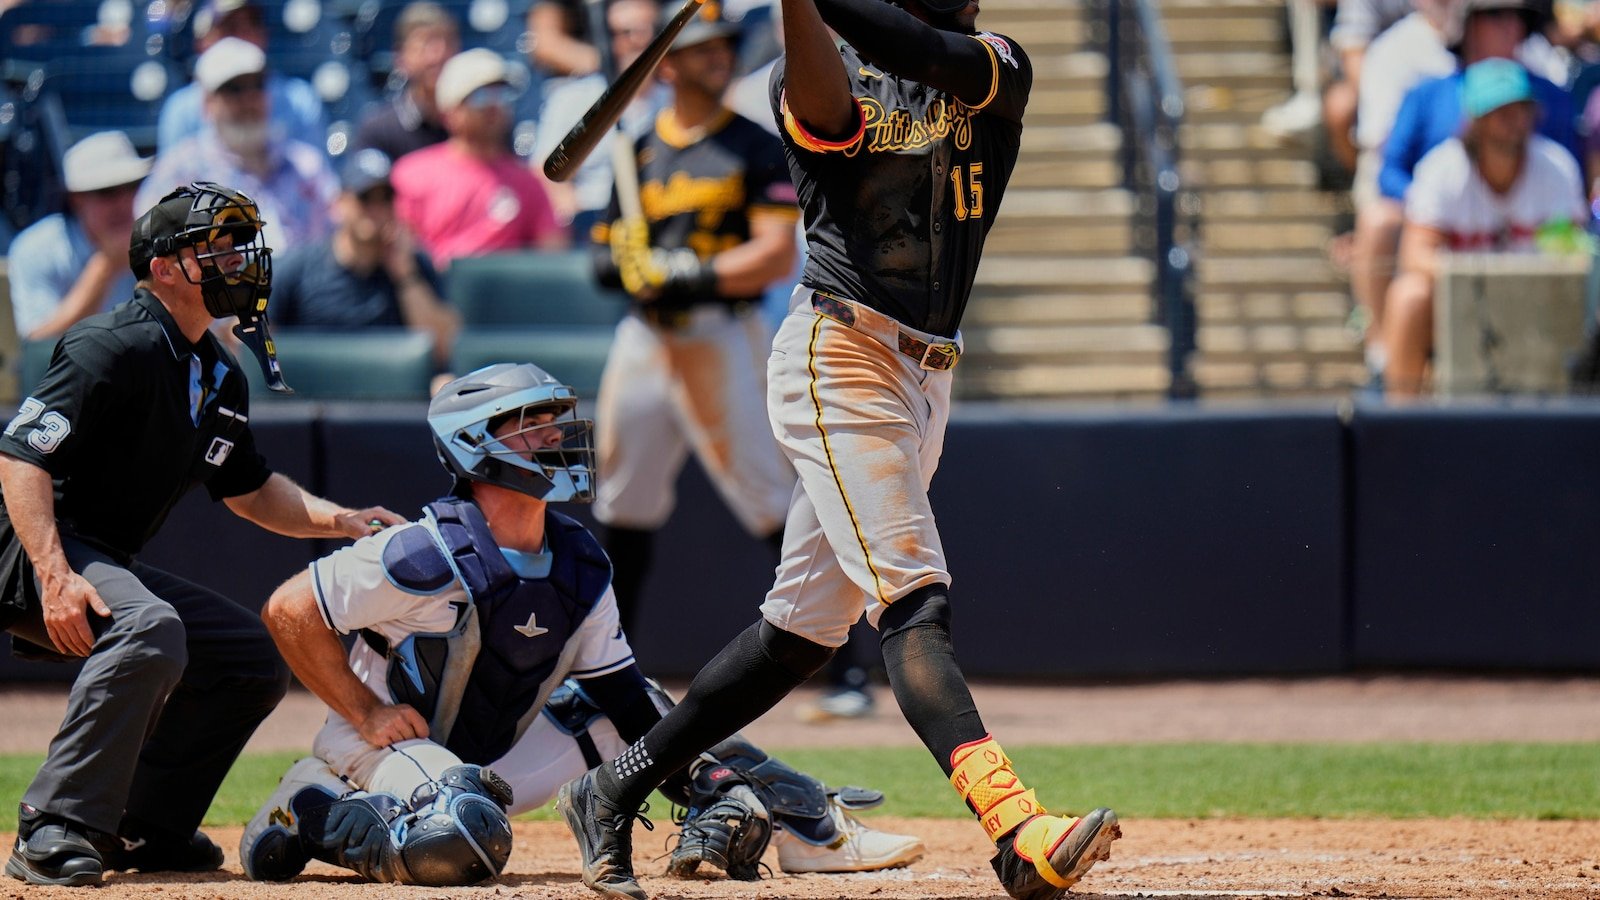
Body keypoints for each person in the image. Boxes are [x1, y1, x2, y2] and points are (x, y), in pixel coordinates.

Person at [555, 0, 1121, 898]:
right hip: (841, 355)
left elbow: (927, 50)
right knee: (913, 600)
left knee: (800, 633)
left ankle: (609, 789)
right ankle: (1015, 825)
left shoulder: (998, 60)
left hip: (928, 374)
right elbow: (829, 103)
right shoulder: (814, 71)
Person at [235, 362, 924, 886]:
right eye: (530, 424)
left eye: (554, 421)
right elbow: (288, 610)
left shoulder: (577, 558)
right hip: (377, 747)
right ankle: (314, 806)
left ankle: (806, 827)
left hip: (499, 757)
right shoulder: (423, 550)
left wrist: (708, 784)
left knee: (653, 708)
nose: (555, 436)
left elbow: (625, 700)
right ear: (477, 446)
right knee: (465, 841)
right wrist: (365, 711)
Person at [0, 182, 405, 888]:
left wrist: (337, 518)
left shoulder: (218, 370)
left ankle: (143, 824)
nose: (236, 262)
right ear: (162, 269)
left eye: (237, 247)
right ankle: (52, 827)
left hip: (95, 554)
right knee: (150, 629)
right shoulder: (111, 344)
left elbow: (247, 489)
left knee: (248, 656)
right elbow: (21, 453)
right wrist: (53, 572)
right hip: (27, 547)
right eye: (214, 250)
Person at [588, 7, 797, 641]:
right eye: (702, 48)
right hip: (647, 337)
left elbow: (773, 255)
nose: (721, 56)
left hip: (722, 332)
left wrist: (681, 273)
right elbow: (601, 257)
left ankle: (841, 662)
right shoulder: (637, 149)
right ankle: (608, 658)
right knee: (623, 499)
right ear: (667, 64)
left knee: (769, 495)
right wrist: (627, 267)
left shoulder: (756, 144)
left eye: (725, 45)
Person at [1383, 58, 1587, 397]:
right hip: (1460, 304)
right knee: (1408, 296)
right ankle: (1397, 424)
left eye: (1520, 109)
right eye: (1501, 111)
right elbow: (1414, 255)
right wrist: (1484, 279)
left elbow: (1573, 254)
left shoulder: (1557, 168)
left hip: (1540, 305)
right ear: (1475, 119)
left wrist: (1518, 280)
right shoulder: (1441, 169)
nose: (1514, 121)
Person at [138, 37, 340, 251]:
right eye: (233, 89)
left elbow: (337, 237)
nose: (248, 100)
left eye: (257, 86)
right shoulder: (181, 173)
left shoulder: (305, 165)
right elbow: (154, 248)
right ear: (207, 103)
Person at [270, 149, 459, 370]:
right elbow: (252, 343)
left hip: (392, 398)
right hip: (314, 398)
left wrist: (405, 277)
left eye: (385, 198)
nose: (376, 209)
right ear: (339, 203)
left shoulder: (413, 266)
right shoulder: (299, 267)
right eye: (365, 198)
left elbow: (444, 348)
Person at [391, 48, 567, 269]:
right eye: (480, 96)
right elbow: (401, 253)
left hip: (508, 297)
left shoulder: (527, 182)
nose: (494, 105)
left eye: (502, 94)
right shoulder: (412, 175)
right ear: (450, 112)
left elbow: (552, 257)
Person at [535, 0, 669, 236]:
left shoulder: (678, 98)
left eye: (649, 29)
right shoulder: (570, 98)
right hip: (592, 218)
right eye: (626, 32)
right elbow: (546, 172)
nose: (637, 40)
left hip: (662, 215)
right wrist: (569, 210)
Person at [7, 132, 149, 341]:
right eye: (107, 191)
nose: (123, 202)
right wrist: (106, 265)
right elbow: (41, 343)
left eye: (131, 186)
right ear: (76, 199)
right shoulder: (35, 249)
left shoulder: (156, 239)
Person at [157, 0, 327, 154]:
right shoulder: (181, 110)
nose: (242, 36)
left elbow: (317, 180)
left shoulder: (300, 100)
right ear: (203, 41)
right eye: (230, 28)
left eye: (252, 25)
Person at [350, 2, 461, 164]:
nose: (439, 55)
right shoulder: (379, 130)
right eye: (426, 44)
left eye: (448, 43)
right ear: (400, 57)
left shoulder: (478, 128)